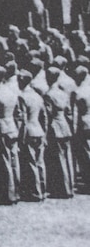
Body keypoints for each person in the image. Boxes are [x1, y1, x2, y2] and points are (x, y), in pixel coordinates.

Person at [0, 65, 21, 204]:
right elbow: (18, 114)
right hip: (12, 128)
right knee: (14, 161)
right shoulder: (12, 92)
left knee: (3, 163)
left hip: (1, 130)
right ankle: (16, 192)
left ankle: (6, 194)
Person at [45, 67, 75, 198]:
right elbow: (69, 112)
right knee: (67, 158)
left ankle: (62, 188)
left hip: (55, 127)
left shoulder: (48, 95)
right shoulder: (63, 93)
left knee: (58, 159)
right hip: (65, 126)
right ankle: (70, 187)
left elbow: (48, 114)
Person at [17, 69, 47, 201]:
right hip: (39, 130)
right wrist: (44, 134)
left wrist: (21, 138)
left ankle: (34, 192)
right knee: (40, 162)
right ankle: (42, 189)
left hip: (28, 132)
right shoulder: (37, 96)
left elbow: (23, 120)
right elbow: (44, 117)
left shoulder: (22, 97)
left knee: (30, 163)